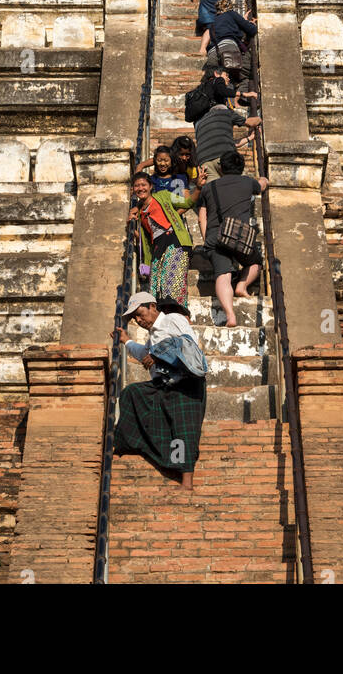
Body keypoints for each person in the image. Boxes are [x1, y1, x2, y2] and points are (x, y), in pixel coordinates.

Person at [115, 291, 206, 490]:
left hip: (185, 384)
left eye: (141, 314)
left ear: (153, 307)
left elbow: (188, 343)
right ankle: (132, 445)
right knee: (131, 393)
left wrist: (157, 354)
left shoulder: (173, 320)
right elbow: (144, 354)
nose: (139, 320)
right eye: (135, 318)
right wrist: (126, 341)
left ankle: (187, 482)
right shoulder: (153, 334)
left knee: (183, 429)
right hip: (163, 385)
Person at [197, 150, 269, 326]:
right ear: (242, 167)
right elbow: (261, 186)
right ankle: (242, 286)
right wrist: (264, 179)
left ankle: (230, 315)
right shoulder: (247, 182)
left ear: (221, 168)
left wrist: (208, 240)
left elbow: (201, 217)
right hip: (239, 234)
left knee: (223, 273)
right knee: (255, 262)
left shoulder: (208, 187)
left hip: (215, 235)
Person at [130, 170, 206, 307]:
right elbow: (145, 240)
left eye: (143, 185)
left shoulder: (164, 195)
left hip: (174, 240)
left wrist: (199, 187)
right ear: (133, 189)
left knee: (172, 285)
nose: (140, 188)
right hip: (158, 247)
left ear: (151, 186)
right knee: (155, 289)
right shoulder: (139, 212)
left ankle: (180, 317)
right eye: (136, 186)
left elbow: (188, 203)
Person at [193, 78, 261, 181]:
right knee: (231, 186)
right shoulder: (226, 113)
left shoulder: (200, 122)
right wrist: (261, 119)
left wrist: (249, 138)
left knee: (214, 191)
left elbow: (234, 144)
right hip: (223, 159)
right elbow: (250, 122)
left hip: (204, 162)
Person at [199, 0, 257, 86]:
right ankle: (239, 95)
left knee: (214, 82)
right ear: (230, 7)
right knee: (246, 75)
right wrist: (250, 23)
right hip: (228, 50)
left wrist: (202, 48)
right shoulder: (231, 14)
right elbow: (251, 30)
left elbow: (212, 32)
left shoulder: (213, 22)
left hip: (213, 53)